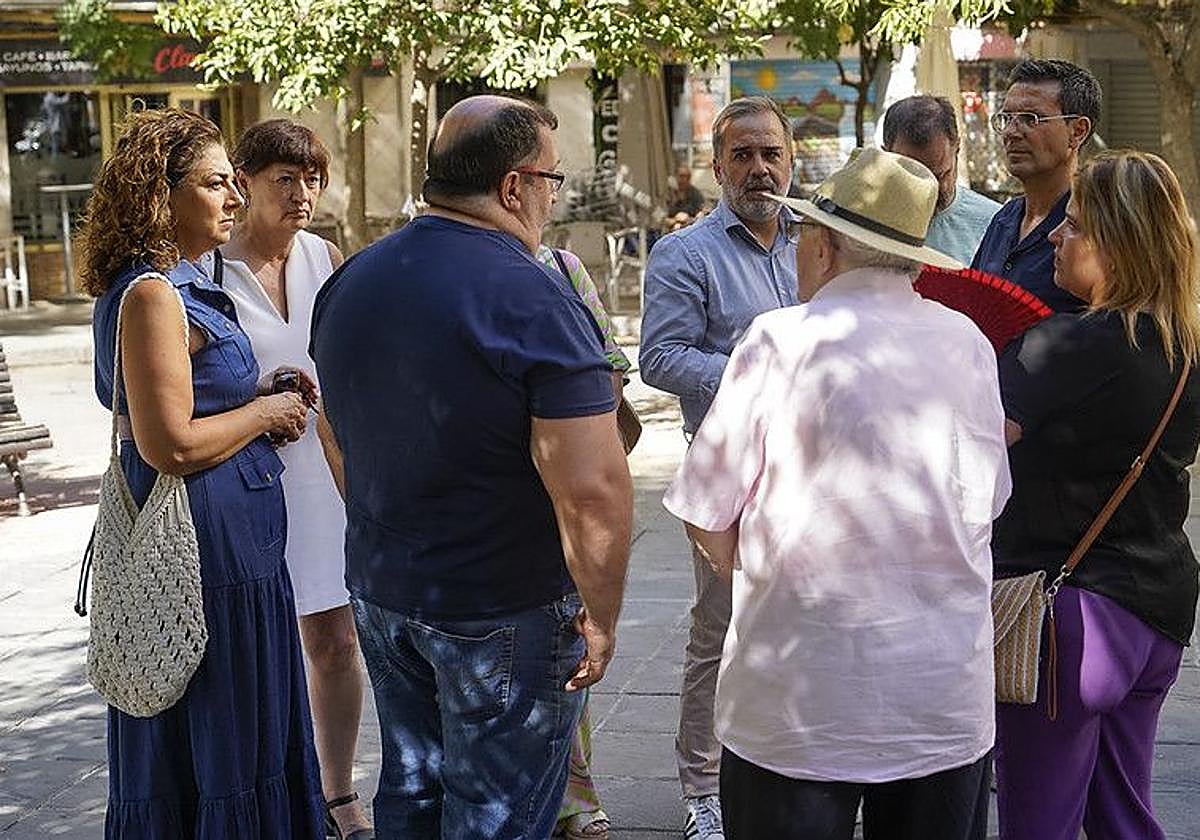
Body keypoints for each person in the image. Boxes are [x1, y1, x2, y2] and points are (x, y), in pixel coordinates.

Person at [310, 95, 634, 840]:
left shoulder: (352, 279)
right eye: (554, 179)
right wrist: (604, 617)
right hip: (502, 608)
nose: (554, 196)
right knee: (497, 815)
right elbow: (594, 484)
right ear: (515, 186)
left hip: (386, 589)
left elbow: (336, 430)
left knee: (414, 796)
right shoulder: (534, 292)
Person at [663, 147, 1011, 840]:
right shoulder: (966, 342)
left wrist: (773, 576)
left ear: (822, 248)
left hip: (798, 696)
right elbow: (988, 501)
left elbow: (708, 516)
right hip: (937, 691)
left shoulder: (778, 341)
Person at [78, 108, 324, 838]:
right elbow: (171, 445)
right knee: (224, 737)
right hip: (203, 554)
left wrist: (258, 392)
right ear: (164, 192)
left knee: (235, 734)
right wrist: (265, 416)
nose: (233, 199)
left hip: (230, 548)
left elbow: (187, 400)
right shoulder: (151, 293)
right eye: (216, 183)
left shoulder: (168, 283)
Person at [993, 151, 1200, 840]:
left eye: (1073, 226)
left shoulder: (1066, 345)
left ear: (1118, 244)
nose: (1053, 236)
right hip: (1157, 611)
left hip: (1069, 617)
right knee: (1123, 817)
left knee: (1039, 822)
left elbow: (970, 448)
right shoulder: (1187, 346)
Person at [206, 119, 371, 840]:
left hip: (324, 470)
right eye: (286, 179)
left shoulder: (324, 256)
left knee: (336, 640)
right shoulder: (207, 269)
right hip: (246, 475)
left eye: (312, 180)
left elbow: (349, 370)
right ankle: (271, 792)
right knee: (257, 647)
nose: (303, 193)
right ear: (243, 183)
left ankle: (338, 792)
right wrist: (260, 403)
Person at [640, 95, 799, 840]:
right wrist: (756, 370)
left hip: (817, 470)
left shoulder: (819, 241)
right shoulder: (686, 254)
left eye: (770, 153)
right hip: (731, 475)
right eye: (743, 155)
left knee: (805, 624)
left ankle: (795, 772)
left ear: (792, 159)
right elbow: (661, 358)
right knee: (723, 630)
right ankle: (705, 791)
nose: (759, 168)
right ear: (718, 166)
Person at [536, 244, 629, 840]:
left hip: (559, 476)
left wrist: (583, 429)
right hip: (493, 489)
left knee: (570, 638)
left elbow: (611, 363)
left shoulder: (563, 266)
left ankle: (574, 795)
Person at [972, 59, 1102, 312]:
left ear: (1078, 131)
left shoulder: (1092, 224)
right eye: (1007, 117)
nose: (1011, 132)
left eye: (1030, 119)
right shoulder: (1005, 218)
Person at [881, 94, 1000, 266]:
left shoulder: (995, 224)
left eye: (939, 176)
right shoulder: (857, 220)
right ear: (886, 155)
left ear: (957, 148)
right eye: (915, 175)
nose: (928, 189)